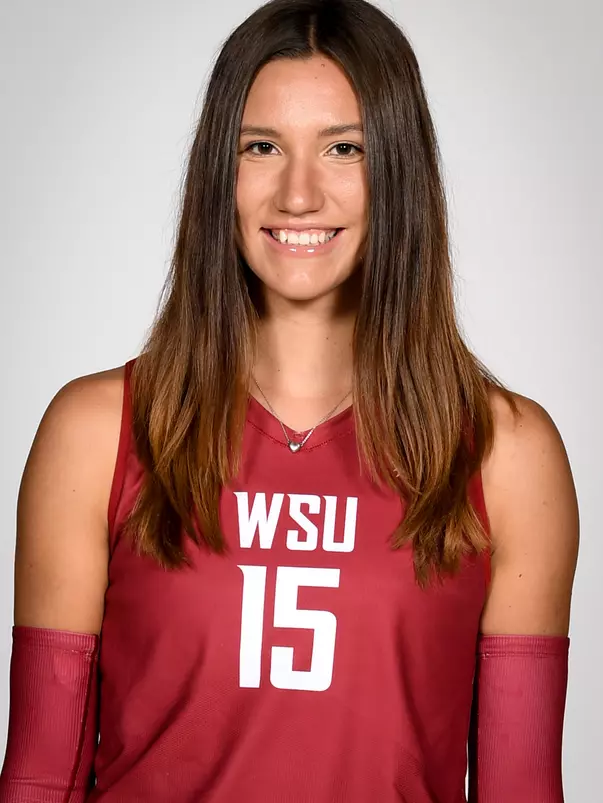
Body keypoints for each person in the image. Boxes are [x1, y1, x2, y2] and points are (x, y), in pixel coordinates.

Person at [0, 0, 579, 801]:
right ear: (219, 173)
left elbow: (521, 788)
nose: (298, 193)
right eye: (261, 147)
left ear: (397, 174)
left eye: (345, 148)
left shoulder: (504, 453)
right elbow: (36, 778)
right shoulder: (97, 433)